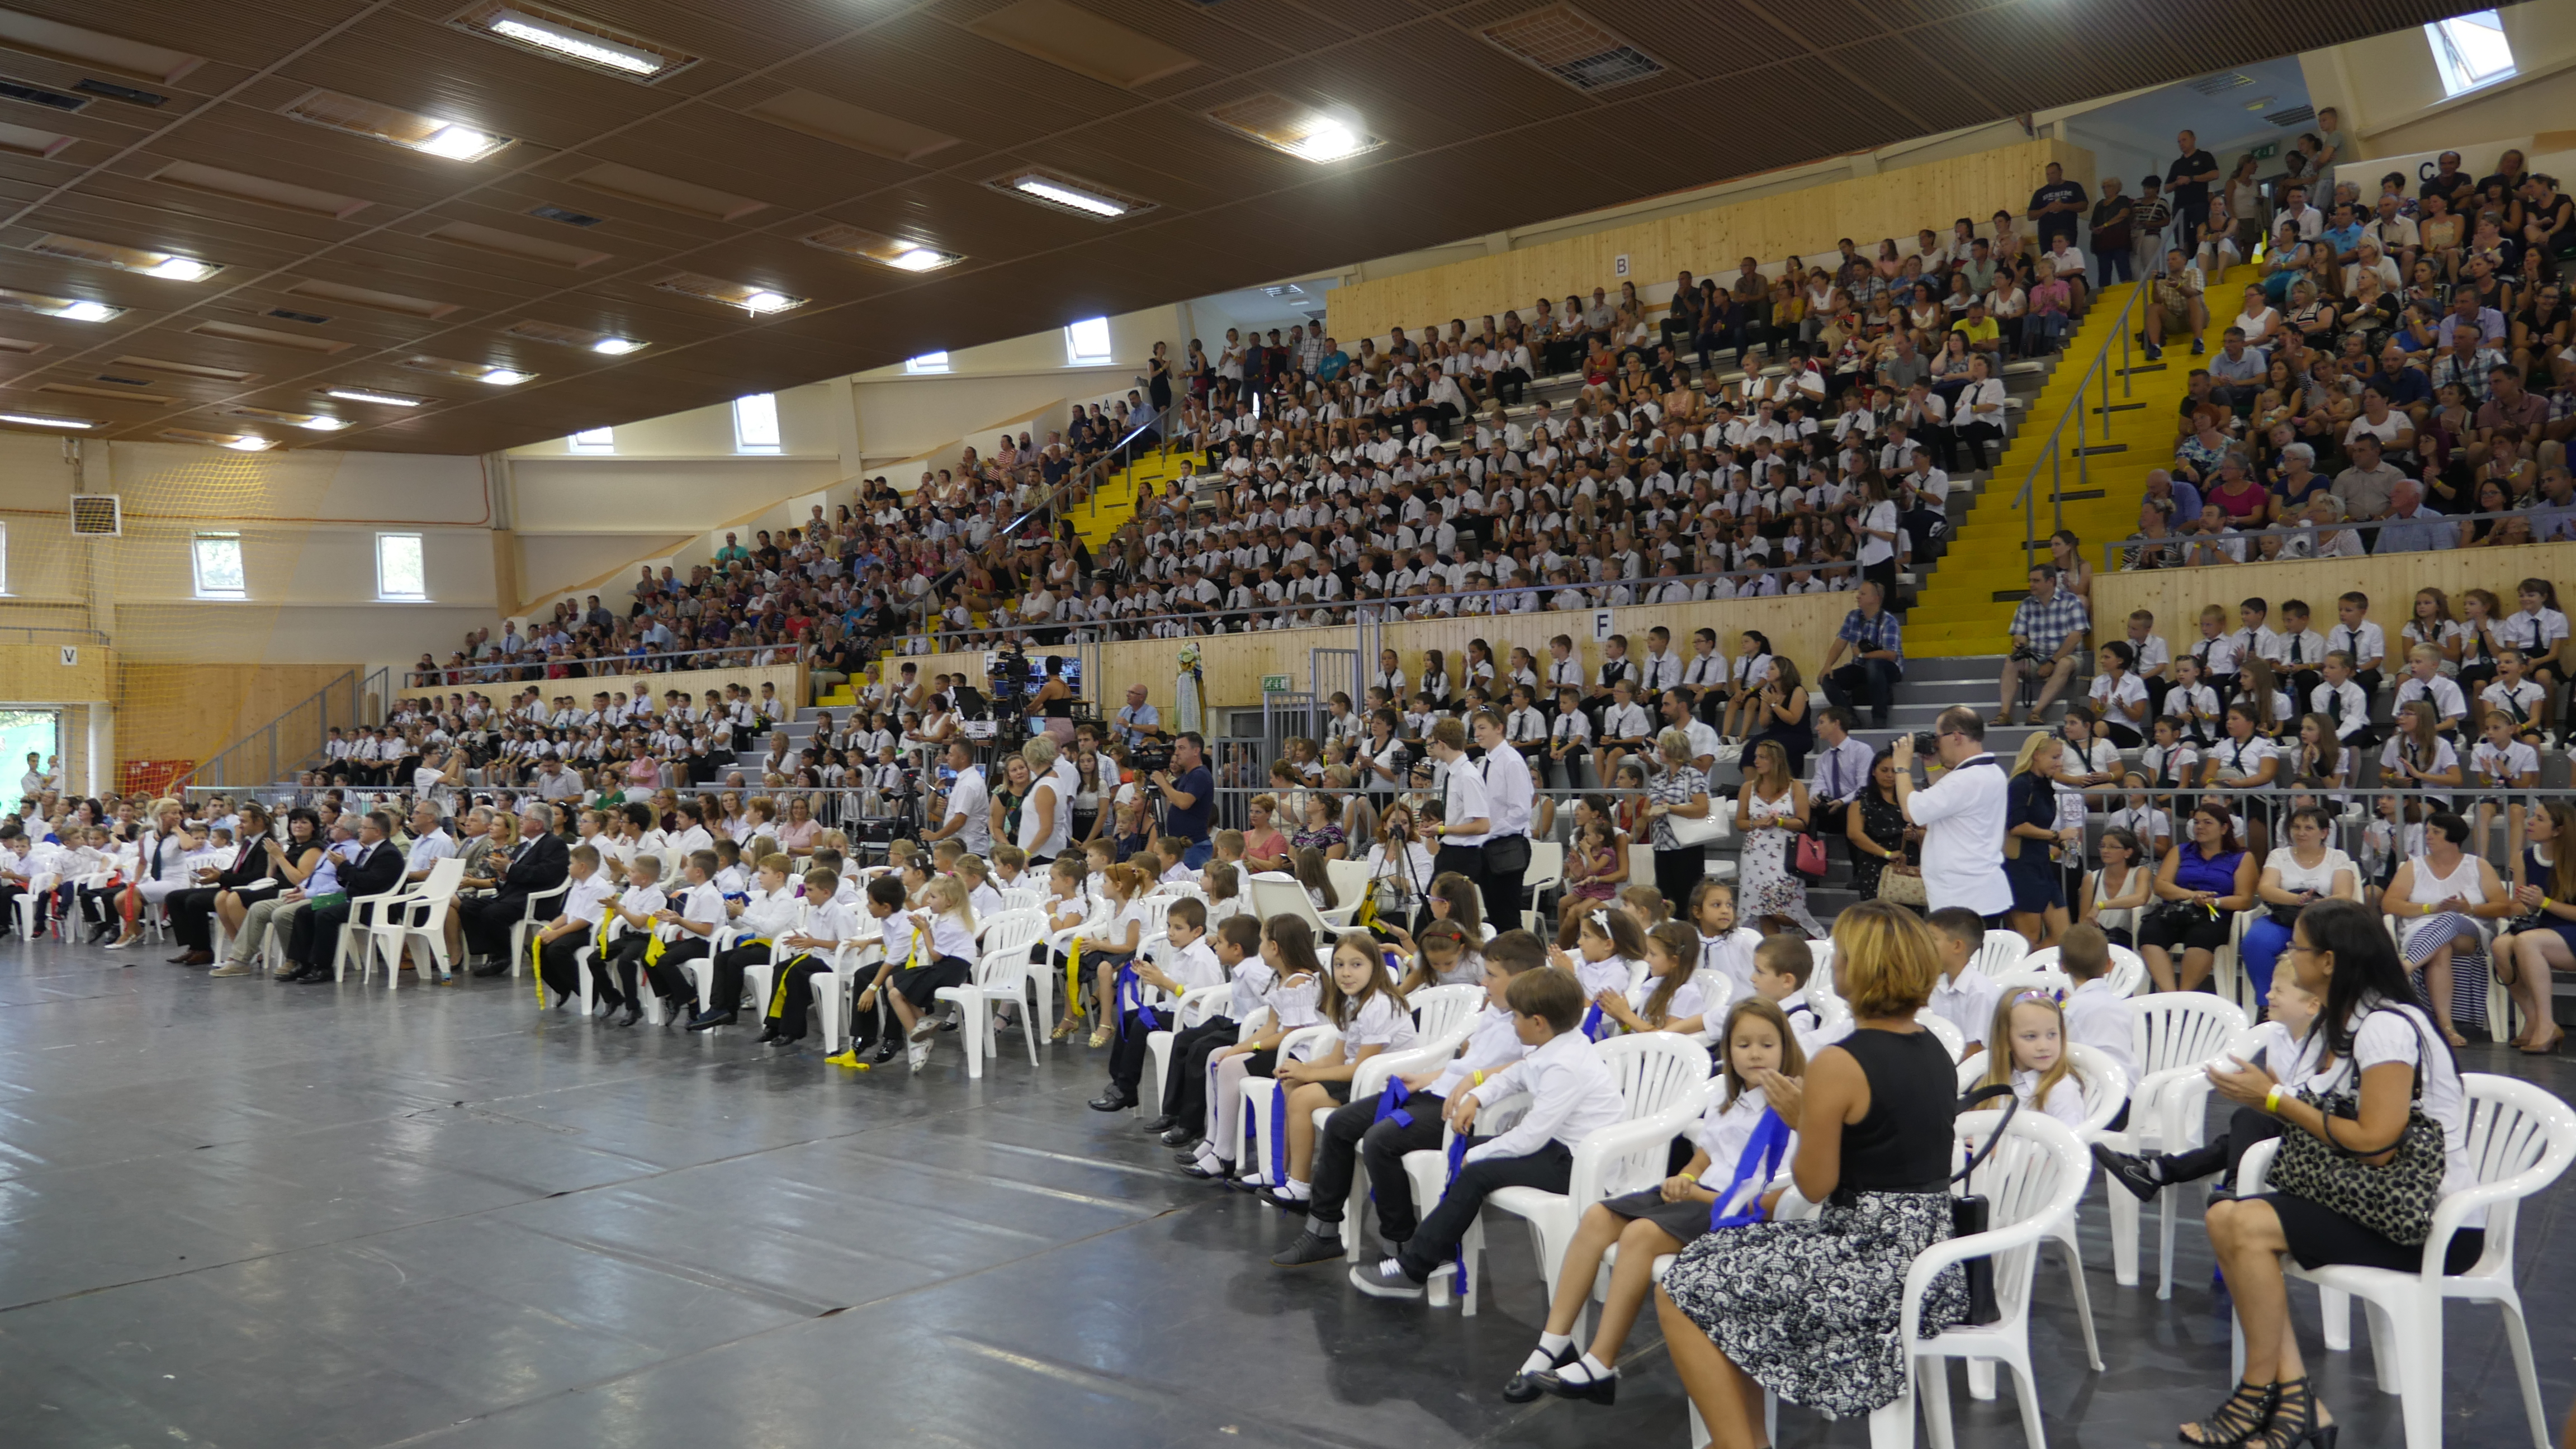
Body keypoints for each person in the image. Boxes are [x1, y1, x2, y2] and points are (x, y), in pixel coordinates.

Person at [1652, 901, 1964, 1446]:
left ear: (1860, 968)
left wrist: (1803, 1120)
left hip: (1871, 1262)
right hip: (1932, 1254)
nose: (1833, 964)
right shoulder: (1933, 1047)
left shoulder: (1840, 1062)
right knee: (1719, 1261)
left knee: (1681, 1285)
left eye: (1841, 955)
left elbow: (1816, 1186)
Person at [2193, 899, 2479, 1449]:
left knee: (2242, 1224)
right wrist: (2267, 1095)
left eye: (2296, 947)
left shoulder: (2385, 1028)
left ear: (2328, 961)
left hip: (2431, 1223)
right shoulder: (2341, 1023)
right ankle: (2294, 1397)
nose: (2288, 954)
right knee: (2224, 1215)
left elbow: (2376, 1145)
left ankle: (2260, 1392)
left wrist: (2272, 1098)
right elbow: (2320, 1114)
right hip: (2373, 1205)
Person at [1507, 996, 1807, 1403]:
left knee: (1642, 1234)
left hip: (1736, 1212)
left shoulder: (1792, 1109)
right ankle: (1553, 1343)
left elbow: (1780, 1195)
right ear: (1729, 1051)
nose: (1755, 1054)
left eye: (1767, 1045)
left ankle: (1600, 1363)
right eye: (1743, 1045)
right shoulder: (1729, 1102)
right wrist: (1686, 1177)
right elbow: (1707, 1155)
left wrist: (1698, 1192)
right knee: (1597, 1217)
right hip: (1700, 1196)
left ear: (1786, 1048)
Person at [1271, 930, 1547, 1266]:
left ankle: (1398, 1242)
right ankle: (1322, 1231)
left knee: (1381, 1140)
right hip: (1438, 1092)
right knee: (1341, 1123)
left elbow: (1527, 1068)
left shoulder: (1534, 1021)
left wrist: (1472, 1083)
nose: (1484, 981)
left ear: (1521, 978)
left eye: (1491, 975)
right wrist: (1425, 1078)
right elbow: (1465, 1065)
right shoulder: (1496, 1010)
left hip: (1468, 1110)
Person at [1348, 963, 1622, 1298]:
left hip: (1581, 1164)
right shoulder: (1556, 1045)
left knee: (1476, 1171)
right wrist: (1476, 1097)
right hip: (1558, 1148)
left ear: (1538, 1023)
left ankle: (1414, 1268)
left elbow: (1530, 1137)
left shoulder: (1565, 1066)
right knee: (1462, 1153)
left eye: (1516, 1016)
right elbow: (1515, 1076)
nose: (1513, 1022)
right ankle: (1439, 1250)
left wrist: (1478, 1154)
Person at [2385, 812, 2512, 1047]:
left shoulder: (2478, 866)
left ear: (2453, 837)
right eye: (2427, 831)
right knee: (2440, 947)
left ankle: (2406, 968)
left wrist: (2469, 908)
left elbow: (2504, 906)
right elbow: (2389, 904)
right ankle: (2447, 1027)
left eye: (2436, 832)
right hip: (2420, 930)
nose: (2428, 836)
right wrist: (2430, 908)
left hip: (2467, 932)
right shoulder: (2414, 866)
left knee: (2450, 918)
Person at [1893, 707, 2010, 920]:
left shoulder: (1963, 780)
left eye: (1938, 738)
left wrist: (1901, 768)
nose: (1936, 744)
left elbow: (1911, 812)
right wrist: (1931, 765)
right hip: (1981, 892)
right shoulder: (1992, 772)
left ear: (1956, 737)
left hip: (1962, 897)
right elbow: (1948, 800)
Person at [2240, 805, 2361, 1002]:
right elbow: (2266, 889)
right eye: (2296, 827)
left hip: (2322, 920)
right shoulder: (2278, 855)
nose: (2301, 833)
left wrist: (2314, 905)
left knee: (2327, 950)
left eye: (2308, 828)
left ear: (2324, 833)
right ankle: (2267, 1003)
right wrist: (2296, 900)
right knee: (2255, 942)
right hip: (2284, 916)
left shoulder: (2338, 858)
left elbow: (2343, 895)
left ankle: (2323, 1003)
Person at [2138, 803, 2255, 992]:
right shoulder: (2180, 851)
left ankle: (2185, 994)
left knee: (2200, 938)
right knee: (2149, 934)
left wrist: (2215, 901)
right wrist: (2193, 896)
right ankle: (2171, 996)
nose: (2200, 827)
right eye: (2197, 822)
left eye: (2207, 823)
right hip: (2178, 909)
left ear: (2224, 828)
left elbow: (2244, 900)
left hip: (2215, 914)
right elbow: (2160, 885)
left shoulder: (2241, 857)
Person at [460, 809, 570, 976]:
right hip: (511, 895)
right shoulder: (524, 846)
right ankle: (490, 951)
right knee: (469, 906)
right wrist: (503, 876)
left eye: (525, 818)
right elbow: (511, 874)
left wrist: (509, 868)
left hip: (534, 898)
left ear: (538, 824)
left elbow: (545, 873)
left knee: (493, 912)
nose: (520, 821)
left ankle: (503, 955)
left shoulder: (554, 844)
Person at [1734, 739, 1821, 937]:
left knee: (1781, 911)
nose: (1756, 761)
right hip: (1754, 858)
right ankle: (1773, 948)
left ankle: (1813, 932)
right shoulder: (1748, 788)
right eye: (1756, 757)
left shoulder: (1795, 787)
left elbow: (1803, 822)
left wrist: (1780, 822)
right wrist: (1757, 824)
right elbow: (1740, 822)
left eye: (1762, 757)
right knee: (1760, 910)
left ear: (1776, 760)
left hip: (1785, 857)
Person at [1997, 564, 2090, 726]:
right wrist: (2019, 643)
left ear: (2051, 581)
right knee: (2011, 661)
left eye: (2036, 581)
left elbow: (2075, 637)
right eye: (2030, 581)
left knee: (2064, 663)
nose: (2031, 585)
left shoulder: (2071, 601)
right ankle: (2004, 714)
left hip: (2068, 656)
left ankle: (2036, 712)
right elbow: (2019, 634)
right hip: (2035, 656)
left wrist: (2052, 662)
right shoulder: (2025, 605)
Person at [1471, 708, 1534, 932]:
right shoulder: (1484, 763)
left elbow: (1521, 811)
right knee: (1495, 916)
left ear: (1499, 728)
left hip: (1508, 846)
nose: (1477, 734)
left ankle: (1520, 954)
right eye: (1475, 728)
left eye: (1482, 728)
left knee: (1508, 918)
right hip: (1487, 846)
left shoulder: (1512, 761)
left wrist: (1487, 831)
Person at [1820, 580, 1903, 728]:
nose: (1858, 596)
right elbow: (1840, 643)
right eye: (1859, 593)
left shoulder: (1889, 621)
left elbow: (1891, 655)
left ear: (1876, 598)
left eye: (1863, 594)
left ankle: (1879, 718)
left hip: (1888, 668)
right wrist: (1827, 666)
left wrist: (1862, 656)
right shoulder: (1853, 616)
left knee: (1874, 666)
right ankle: (1850, 719)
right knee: (1827, 679)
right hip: (1862, 667)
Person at [1153, 732, 1215, 868]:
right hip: (1182, 845)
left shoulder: (1200, 775)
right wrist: (1159, 781)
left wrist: (1162, 782)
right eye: (1176, 749)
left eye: (1181, 748)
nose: (1177, 753)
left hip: (1194, 846)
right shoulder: (1188, 775)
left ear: (1196, 751)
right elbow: (1169, 792)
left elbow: (1184, 803)